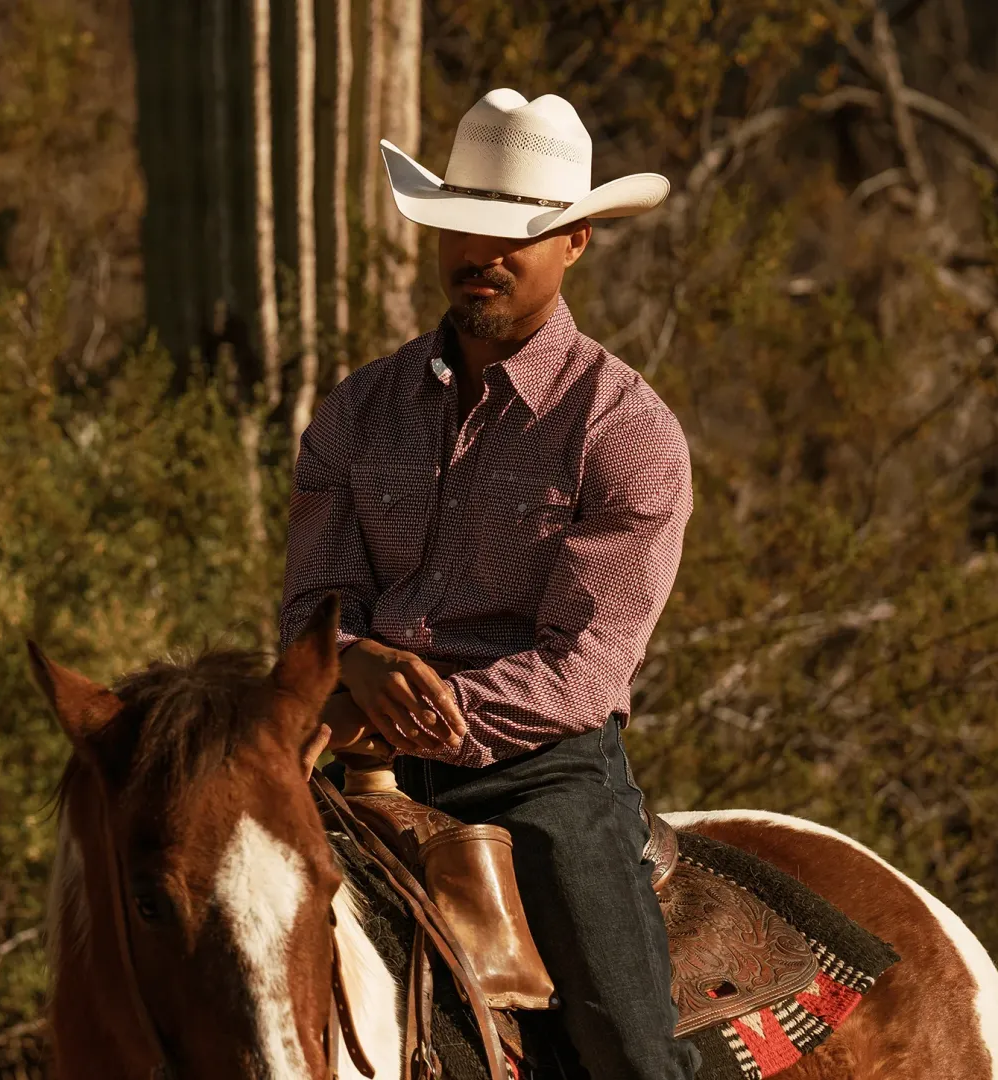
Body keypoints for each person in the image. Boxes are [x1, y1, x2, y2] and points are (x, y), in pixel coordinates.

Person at [280, 87, 700, 1080]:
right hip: (352, 748)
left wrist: (405, 708)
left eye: (521, 233)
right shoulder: (355, 414)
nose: (486, 253)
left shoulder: (625, 433)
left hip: (539, 771)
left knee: (627, 1052)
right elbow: (311, 605)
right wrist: (352, 659)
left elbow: (585, 668)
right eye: (465, 226)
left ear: (577, 244)